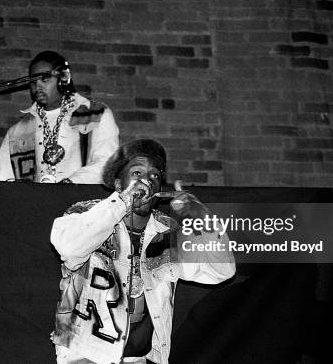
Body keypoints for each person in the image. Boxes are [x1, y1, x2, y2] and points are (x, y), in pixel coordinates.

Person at [50, 139, 236, 363]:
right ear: (119, 184)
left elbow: (221, 271)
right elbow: (69, 248)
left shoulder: (168, 233)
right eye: (137, 173)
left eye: (154, 176)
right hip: (84, 354)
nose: (146, 181)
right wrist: (123, 201)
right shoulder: (86, 213)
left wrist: (202, 220)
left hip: (140, 358)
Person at [0, 51, 119, 183]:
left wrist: (67, 185)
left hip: (82, 200)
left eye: (44, 79)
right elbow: (0, 177)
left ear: (64, 78)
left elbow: (107, 163)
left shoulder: (95, 114)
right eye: (33, 82)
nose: (38, 86)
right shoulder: (18, 131)